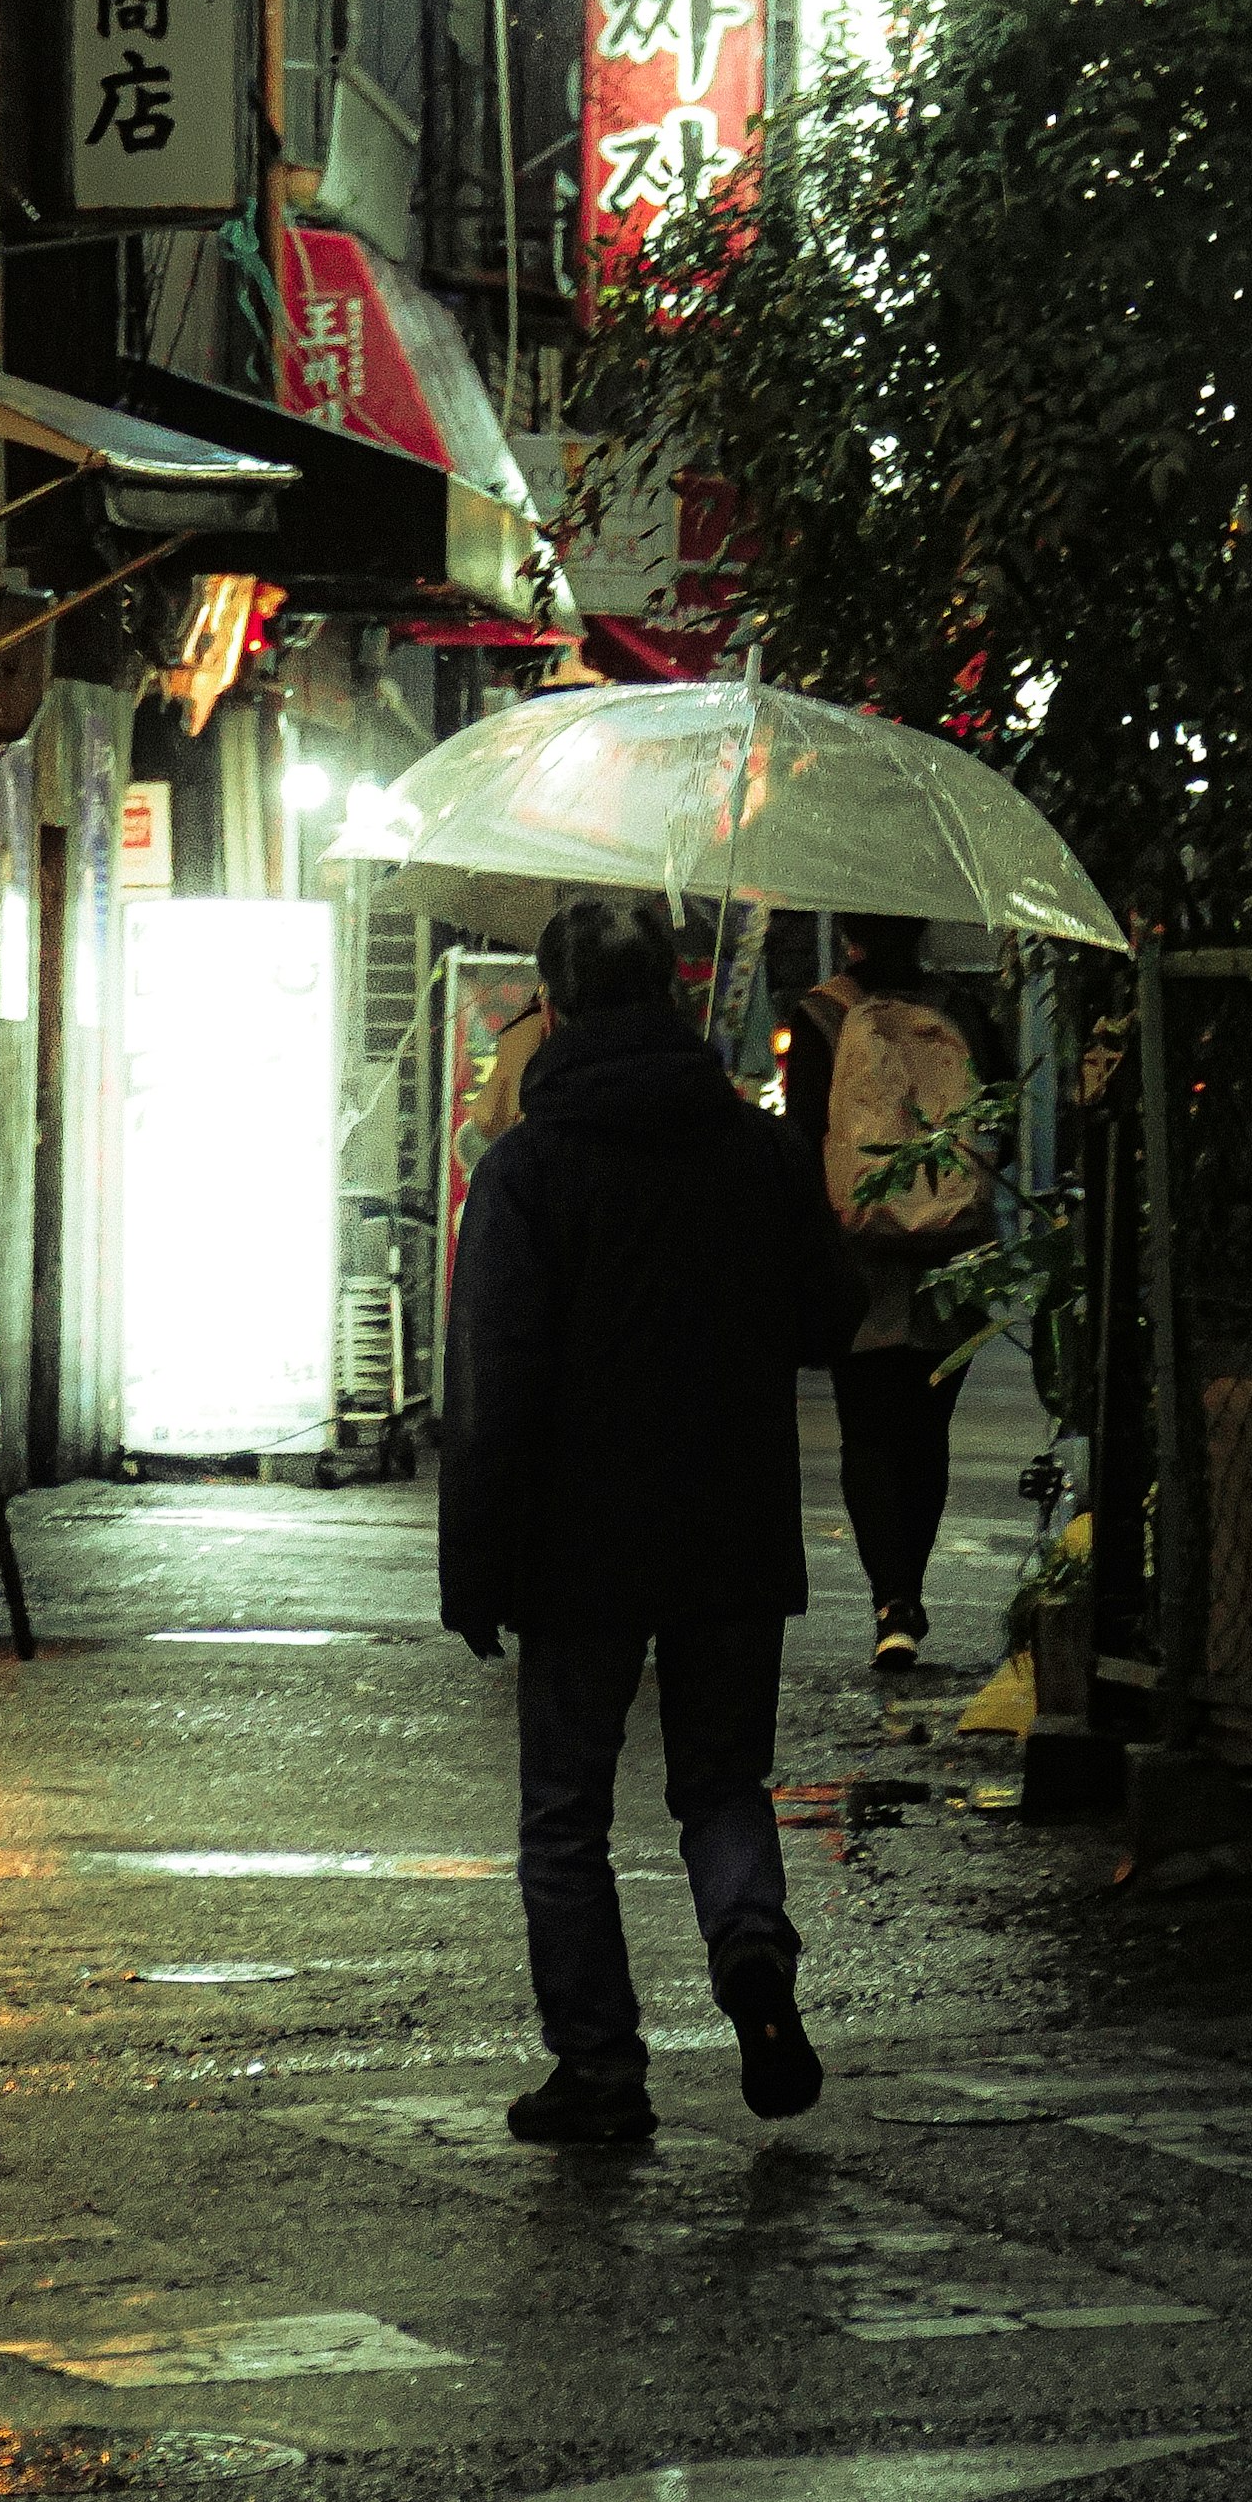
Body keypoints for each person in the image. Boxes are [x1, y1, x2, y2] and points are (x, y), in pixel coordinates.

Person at [442, 893, 860, 2149]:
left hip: (579, 1546)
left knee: (567, 1810)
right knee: (722, 1780)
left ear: (553, 1010)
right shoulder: (754, 1151)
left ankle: (601, 2069)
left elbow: (493, 1384)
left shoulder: (527, 1167)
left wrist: (477, 1568)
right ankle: (750, 1957)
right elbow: (829, 1321)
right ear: (673, 1003)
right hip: (732, 1525)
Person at [783, 912, 999, 1671]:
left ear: (848, 930)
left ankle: (892, 1600)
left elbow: (806, 1138)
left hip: (858, 1259)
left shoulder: (817, 1014)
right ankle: (911, 1581)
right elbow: (991, 1117)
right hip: (952, 1251)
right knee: (925, 1430)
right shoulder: (961, 1010)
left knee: (868, 1431)